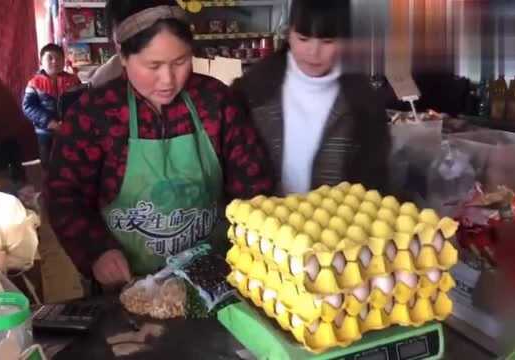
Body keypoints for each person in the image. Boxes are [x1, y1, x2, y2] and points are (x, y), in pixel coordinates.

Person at [46, 0, 273, 287]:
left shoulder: (216, 102)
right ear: (123, 56)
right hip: (127, 284)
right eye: (153, 65)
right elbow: (65, 195)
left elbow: (254, 184)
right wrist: (96, 251)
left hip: (215, 278)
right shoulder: (95, 115)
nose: (168, 79)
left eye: (180, 62)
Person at [232, 0, 391, 196]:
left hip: (336, 222)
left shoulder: (364, 102)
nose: (313, 52)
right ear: (288, 33)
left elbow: (375, 182)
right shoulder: (253, 89)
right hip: (261, 222)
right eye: (303, 38)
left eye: (327, 41)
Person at [22, 44, 81, 167]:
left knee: (70, 160)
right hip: (45, 130)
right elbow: (28, 107)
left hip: (69, 129)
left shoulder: (74, 80)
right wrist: (49, 122)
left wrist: (72, 121)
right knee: (47, 161)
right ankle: (48, 182)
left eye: (59, 58)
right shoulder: (34, 83)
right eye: (50, 58)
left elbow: (81, 103)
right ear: (41, 61)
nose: (55, 61)